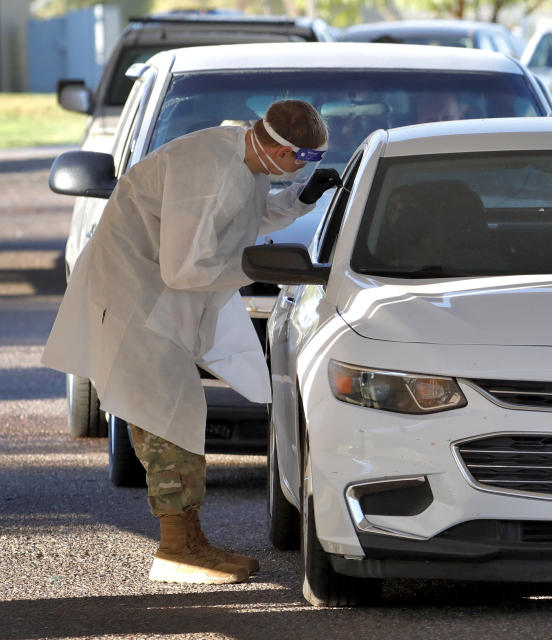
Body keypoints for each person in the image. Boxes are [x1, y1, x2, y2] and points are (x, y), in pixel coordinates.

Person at [42, 100, 336, 585]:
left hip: (162, 310)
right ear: (281, 150)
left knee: (181, 417)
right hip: (139, 312)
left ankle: (190, 540)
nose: (308, 168)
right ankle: (176, 550)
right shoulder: (207, 172)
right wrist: (255, 267)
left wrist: (303, 199)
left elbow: (251, 213)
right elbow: (184, 268)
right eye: (307, 160)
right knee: (166, 425)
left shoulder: (244, 157)